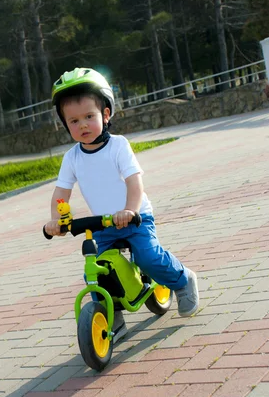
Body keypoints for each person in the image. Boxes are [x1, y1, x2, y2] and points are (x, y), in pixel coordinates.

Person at [44, 67, 199, 342]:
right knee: (97, 271)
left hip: (135, 217)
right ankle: (113, 318)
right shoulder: (71, 158)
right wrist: (55, 220)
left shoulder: (118, 146)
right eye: (74, 121)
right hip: (102, 225)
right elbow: (61, 192)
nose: (83, 125)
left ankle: (183, 280)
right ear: (65, 125)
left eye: (89, 117)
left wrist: (131, 210)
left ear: (105, 114)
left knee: (147, 257)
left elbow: (134, 181)